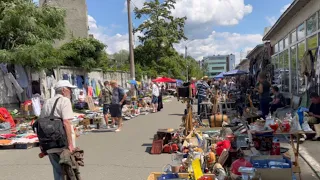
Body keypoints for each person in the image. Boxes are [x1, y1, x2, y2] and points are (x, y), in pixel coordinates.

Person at [39, 80, 76, 180]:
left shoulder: (47, 102)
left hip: (49, 143)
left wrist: (42, 147)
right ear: (64, 90)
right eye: (69, 89)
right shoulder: (64, 101)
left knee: (57, 171)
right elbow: (66, 122)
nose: (71, 92)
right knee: (70, 171)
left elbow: (41, 123)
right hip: (63, 143)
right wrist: (70, 144)